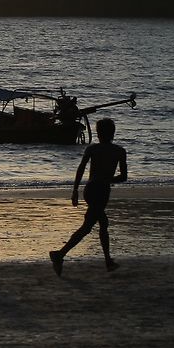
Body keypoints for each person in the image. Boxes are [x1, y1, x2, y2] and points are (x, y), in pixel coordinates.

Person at [50, 118, 127, 276]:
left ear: (99, 133)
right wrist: (108, 179)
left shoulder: (94, 149)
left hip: (93, 190)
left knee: (95, 225)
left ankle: (105, 261)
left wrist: (75, 190)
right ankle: (61, 255)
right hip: (99, 191)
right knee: (96, 225)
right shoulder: (118, 151)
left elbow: (81, 169)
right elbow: (123, 177)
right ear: (113, 133)